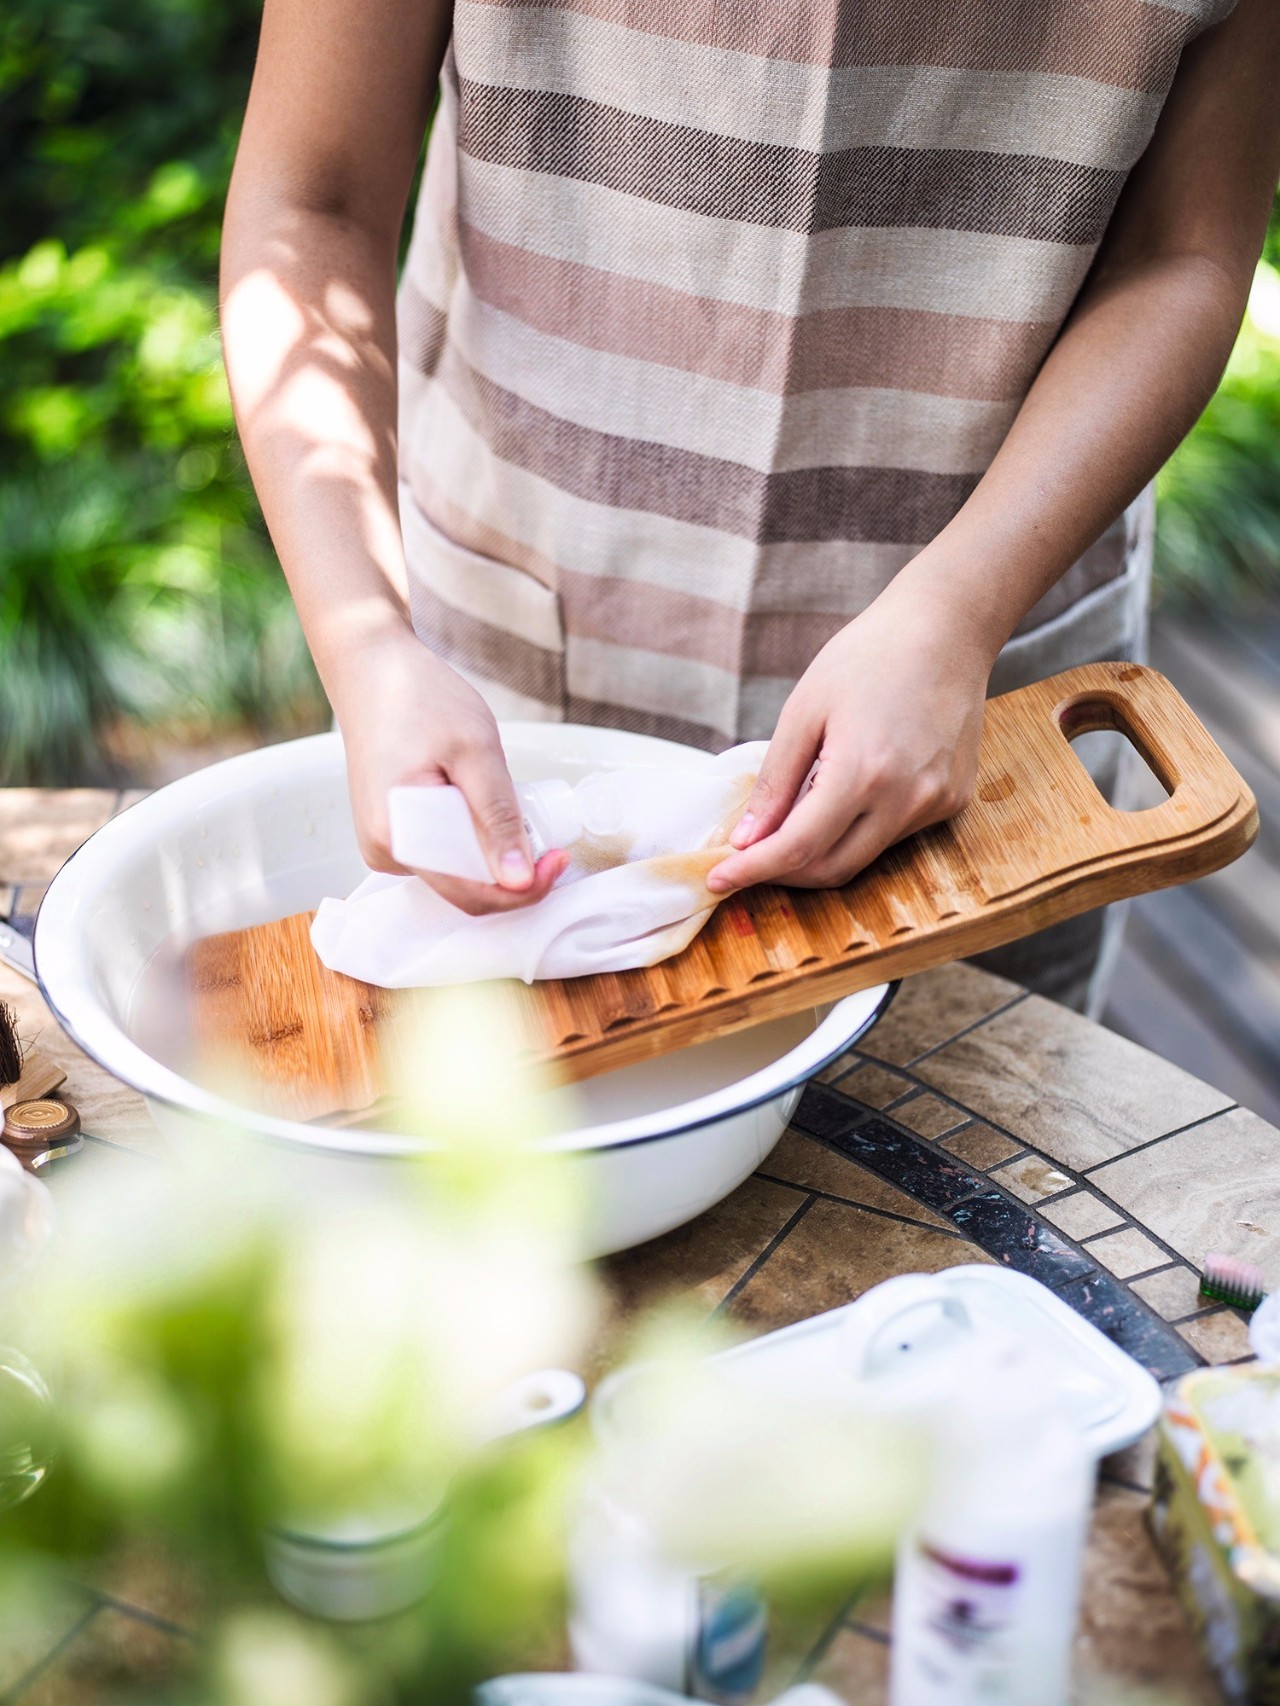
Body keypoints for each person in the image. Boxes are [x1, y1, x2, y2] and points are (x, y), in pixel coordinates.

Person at [221, 0, 1280, 1011]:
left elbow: (1179, 254)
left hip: (990, 684)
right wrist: (367, 646)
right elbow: (308, 201)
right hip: (506, 643)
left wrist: (958, 610)